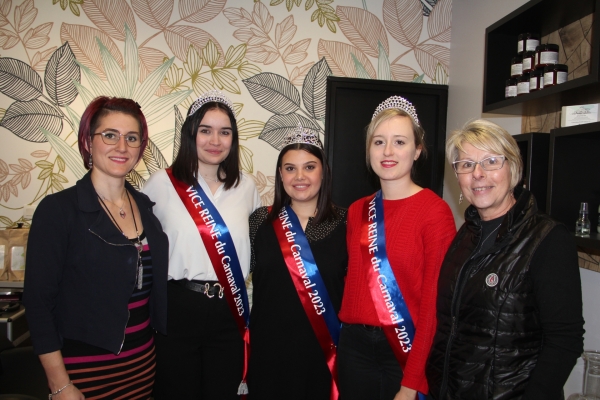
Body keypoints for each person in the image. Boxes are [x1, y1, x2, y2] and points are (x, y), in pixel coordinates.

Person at [426, 119, 585, 399]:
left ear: (513, 168)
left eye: (490, 161)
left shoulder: (547, 238)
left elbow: (564, 341)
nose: (477, 174)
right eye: (465, 164)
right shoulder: (465, 235)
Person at [24, 97, 168, 399]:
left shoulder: (145, 208)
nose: (122, 147)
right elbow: (38, 305)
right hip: (84, 373)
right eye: (110, 135)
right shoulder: (58, 211)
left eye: (132, 138)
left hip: (142, 368)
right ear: (89, 142)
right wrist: (60, 384)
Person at [142, 89, 261, 399]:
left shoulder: (246, 187)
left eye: (225, 132)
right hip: (179, 306)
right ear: (191, 133)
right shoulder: (161, 183)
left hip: (228, 308)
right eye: (205, 130)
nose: (215, 140)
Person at [337, 96, 456, 400]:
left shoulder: (435, 212)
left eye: (399, 142)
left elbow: (434, 305)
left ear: (417, 151)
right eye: (379, 142)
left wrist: (412, 381)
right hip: (354, 349)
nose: (388, 151)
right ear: (369, 151)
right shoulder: (356, 211)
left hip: (404, 351)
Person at [248, 124, 347, 399]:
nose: (299, 176)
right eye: (290, 168)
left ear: (324, 172)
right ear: (280, 175)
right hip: (269, 353)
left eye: (309, 167)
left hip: (323, 354)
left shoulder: (347, 223)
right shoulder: (259, 221)